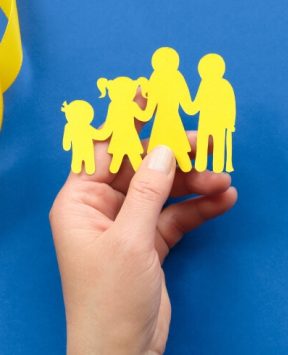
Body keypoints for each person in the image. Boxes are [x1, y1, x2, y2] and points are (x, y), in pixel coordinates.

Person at [50, 92, 237, 354]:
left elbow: (181, 102)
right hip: (148, 130)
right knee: (140, 153)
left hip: (164, 124)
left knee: (150, 152)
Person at [142, 47, 194, 172]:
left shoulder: (156, 77)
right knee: (180, 155)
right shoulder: (176, 77)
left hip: (161, 122)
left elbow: (149, 110)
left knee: (158, 155)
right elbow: (188, 106)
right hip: (172, 121)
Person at [187, 54, 236, 173]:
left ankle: (218, 167)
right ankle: (201, 165)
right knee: (203, 143)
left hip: (218, 123)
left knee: (217, 145)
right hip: (205, 122)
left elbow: (230, 105)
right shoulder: (204, 85)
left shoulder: (225, 85)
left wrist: (230, 122)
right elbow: (197, 104)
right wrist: (187, 105)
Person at [96, 76, 151, 173]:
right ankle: (144, 174)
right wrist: (151, 105)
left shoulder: (115, 106)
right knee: (122, 162)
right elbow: (144, 116)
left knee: (118, 163)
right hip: (128, 137)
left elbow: (109, 126)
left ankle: (143, 174)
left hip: (120, 138)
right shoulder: (127, 105)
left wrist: (99, 135)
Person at [61, 100, 101, 175]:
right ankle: (86, 168)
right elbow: (99, 135)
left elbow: (98, 135)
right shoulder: (70, 127)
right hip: (80, 149)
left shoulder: (71, 127)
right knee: (78, 164)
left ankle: (88, 168)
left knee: (88, 165)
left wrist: (67, 145)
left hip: (85, 150)